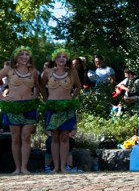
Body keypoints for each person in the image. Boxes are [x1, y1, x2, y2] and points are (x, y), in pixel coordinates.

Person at [0, 47, 40, 175]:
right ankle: (17, 168)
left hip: (29, 106)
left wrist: (35, 95)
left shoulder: (32, 70)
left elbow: (37, 86)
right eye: (21, 54)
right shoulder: (9, 69)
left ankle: (24, 167)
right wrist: (2, 98)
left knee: (26, 136)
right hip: (13, 106)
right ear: (16, 57)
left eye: (27, 54)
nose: (24, 57)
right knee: (16, 138)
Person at [40, 49, 81, 173]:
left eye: (64, 57)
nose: (61, 59)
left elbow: (78, 86)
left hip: (67, 107)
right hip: (52, 106)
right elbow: (41, 87)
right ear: (54, 59)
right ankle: (56, 167)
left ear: (67, 59)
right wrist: (46, 100)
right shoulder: (48, 72)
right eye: (59, 57)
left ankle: (63, 167)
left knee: (64, 137)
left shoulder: (72, 72)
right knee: (54, 137)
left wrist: (72, 99)